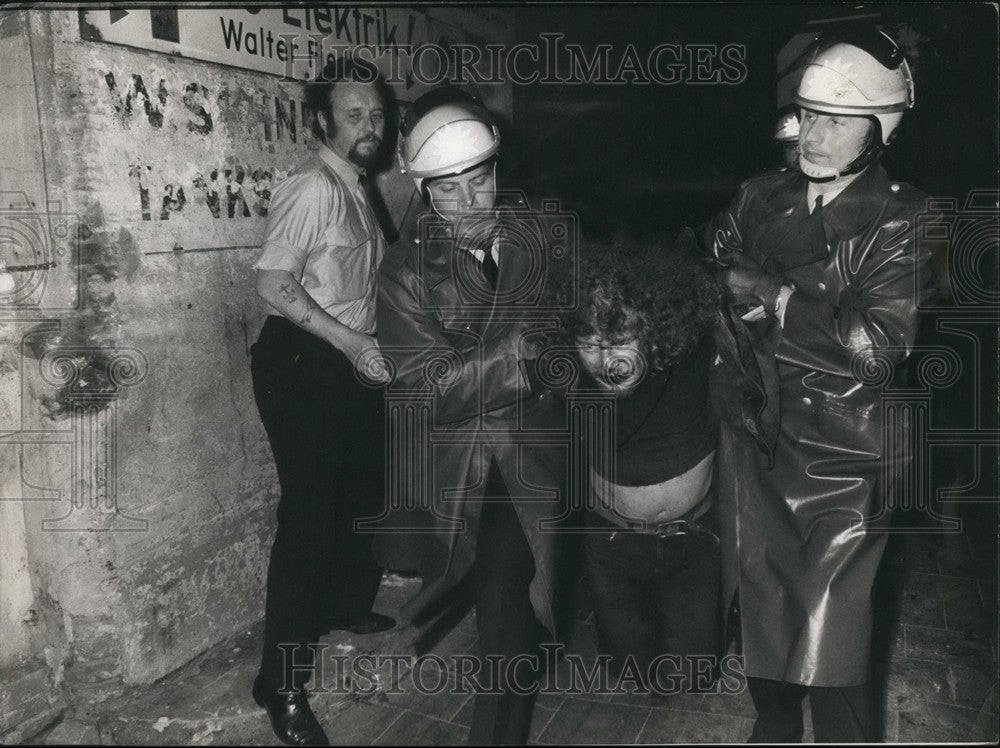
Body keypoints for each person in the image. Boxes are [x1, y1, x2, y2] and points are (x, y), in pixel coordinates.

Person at [704, 29, 933, 742]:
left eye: (838, 121)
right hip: (759, 440)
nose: (815, 135)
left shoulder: (903, 218)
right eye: (809, 116)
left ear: (879, 130)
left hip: (844, 461)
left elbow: (878, 347)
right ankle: (772, 722)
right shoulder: (759, 193)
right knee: (763, 614)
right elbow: (714, 260)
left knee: (837, 647)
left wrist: (776, 301)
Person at [376, 92, 567, 745]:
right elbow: (426, 389)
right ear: (423, 189)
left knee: (537, 606)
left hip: (550, 447)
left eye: (478, 180)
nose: (467, 204)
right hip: (477, 469)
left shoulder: (537, 229)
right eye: (446, 189)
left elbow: (573, 315)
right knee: (507, 623)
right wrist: (521, 354)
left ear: (495, 168)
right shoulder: (403, 273)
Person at [249, 57, 395, 747]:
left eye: (375, 113)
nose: (371, 125)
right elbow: (274, 283)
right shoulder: (312, 188)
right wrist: (348, 342)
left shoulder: (360, 186)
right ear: (321, 123)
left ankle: (338, 607)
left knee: (360, 490)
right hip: (303, 362)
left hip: (347, 359)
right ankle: (279, 683)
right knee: (309, 516)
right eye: (354, 115)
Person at [541, 236, 723, 695]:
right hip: (611, 544)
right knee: (626, 669)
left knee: (695, 676)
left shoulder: (692, 352)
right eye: (588, 340)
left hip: (694, 543)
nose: (605, 359)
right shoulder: (573, 376)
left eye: (620, 340)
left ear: (656, 328)